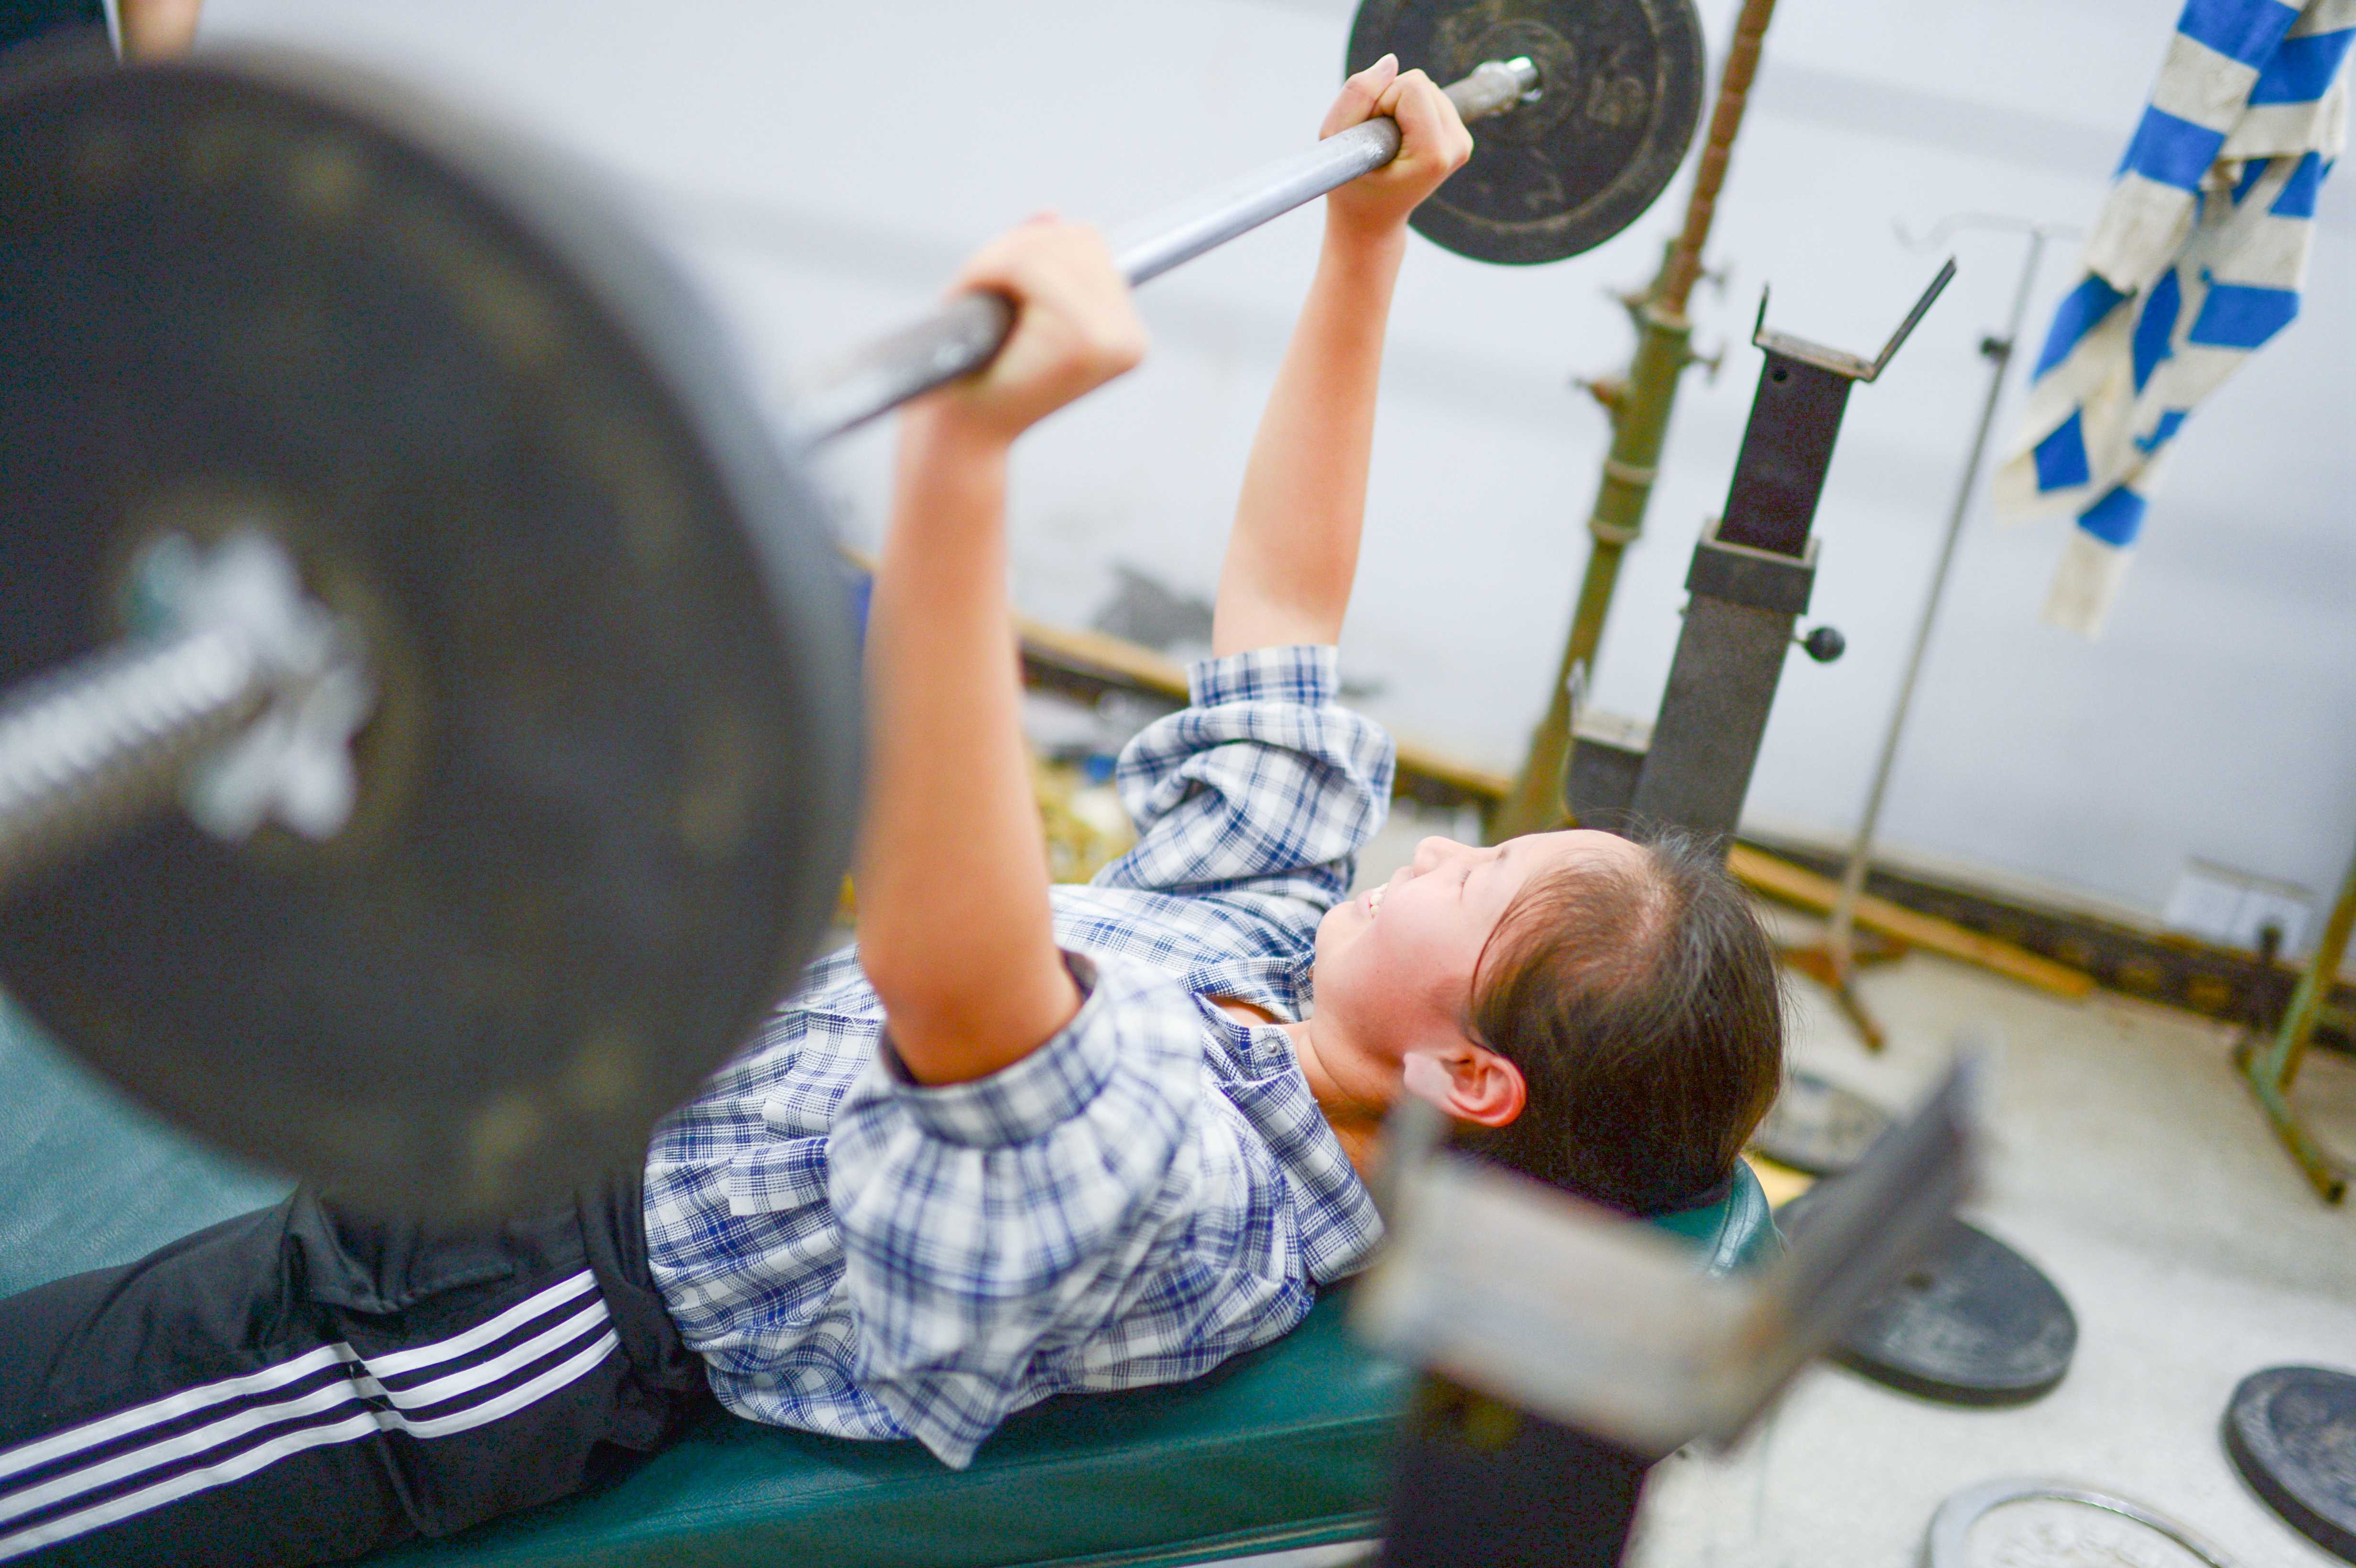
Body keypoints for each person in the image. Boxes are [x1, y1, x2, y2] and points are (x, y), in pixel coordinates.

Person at [0, 57, 1783, 1567]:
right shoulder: (1272, 952)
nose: (1446, 846)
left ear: (1473, 1075)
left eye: (1484, 885)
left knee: (49, 1446)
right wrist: (1363, 245)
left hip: (512, 1313)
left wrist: (964, 468)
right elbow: (1285, 611)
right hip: (607, 1083)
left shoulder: (1211, 1208)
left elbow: (963, 992)